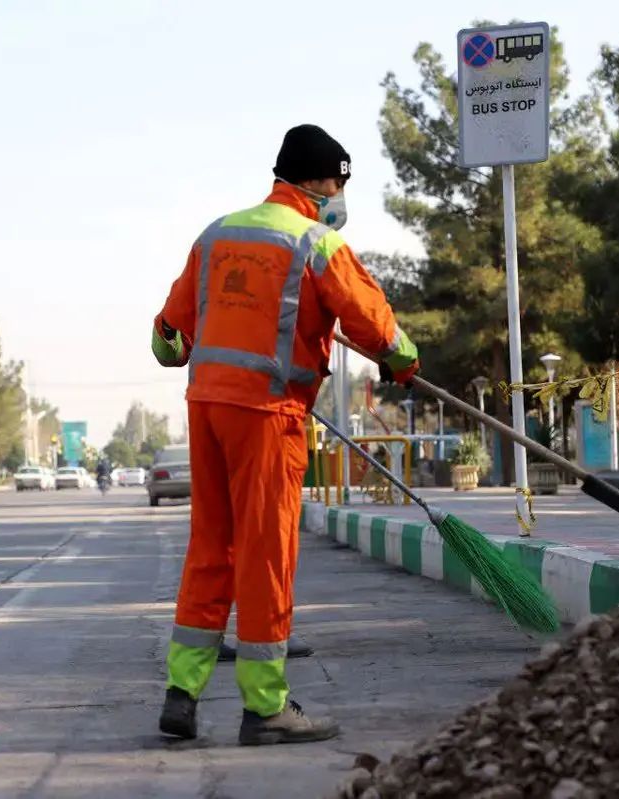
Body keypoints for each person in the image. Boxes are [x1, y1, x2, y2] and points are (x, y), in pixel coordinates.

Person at [151, 124, 420, 746]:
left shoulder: (217, 235)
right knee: (267, 554)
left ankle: (182, 693)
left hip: (206, 408)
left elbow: (168, 334)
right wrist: (404, 359)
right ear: (320, 181)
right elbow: (374, 322)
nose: (340, 195)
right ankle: (265, 707)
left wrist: (180, 346)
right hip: (267, 415)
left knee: (211, 547)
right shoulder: (315, 242)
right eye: (339, 183)